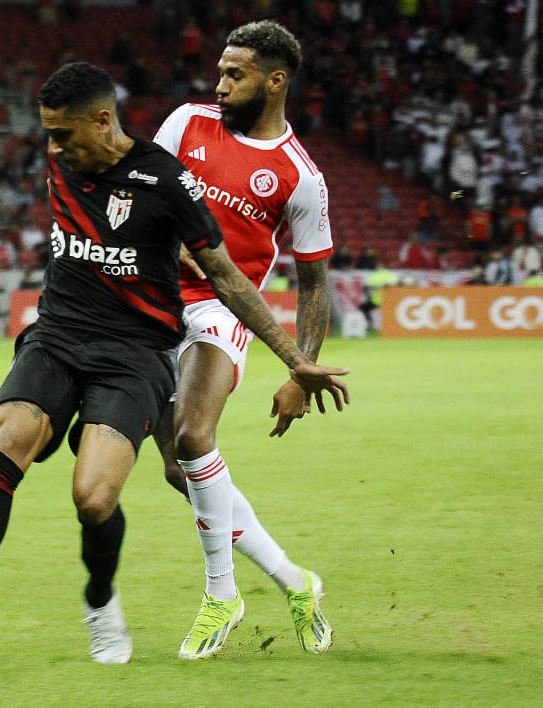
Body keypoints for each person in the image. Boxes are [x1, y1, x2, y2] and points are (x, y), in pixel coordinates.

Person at [0, 61, 349, 664]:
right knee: (16, 439)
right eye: (49, 134)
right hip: (60, 335)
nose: (51, 147)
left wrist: (297, 360)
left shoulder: (208, 178)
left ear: (103, 119)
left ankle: (143, 593)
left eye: (63, 134)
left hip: (156, 338)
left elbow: (222, 267)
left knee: (147, 468)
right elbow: (137, 231)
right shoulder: (165, 130)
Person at [150, 20, 338, 660]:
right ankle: (296, 582)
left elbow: (314, 285)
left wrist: (299, 370)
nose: (220, 84)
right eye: (220, 71)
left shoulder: (299, 176)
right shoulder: (184, 124)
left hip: (221, 312)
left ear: (275, 81)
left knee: (193, 437)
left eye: (237, 74)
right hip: (148, 306)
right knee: (182, 471)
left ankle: (220, 594)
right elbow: (134, 198)